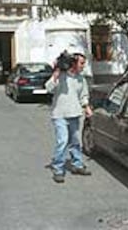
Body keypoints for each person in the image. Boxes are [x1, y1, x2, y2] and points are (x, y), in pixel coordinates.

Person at [45, 52, 93, 183]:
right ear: (73, 63)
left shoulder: (81, 79)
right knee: (62, 141)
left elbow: (83, 95)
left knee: (75, 141)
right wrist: (55, 76)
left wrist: (86, 107)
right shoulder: (61, 76)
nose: (84, 66)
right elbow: (48, 88)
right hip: (59, 115)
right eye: (81, 63)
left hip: (75, 114)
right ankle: (58, 169)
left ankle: (77, 165)